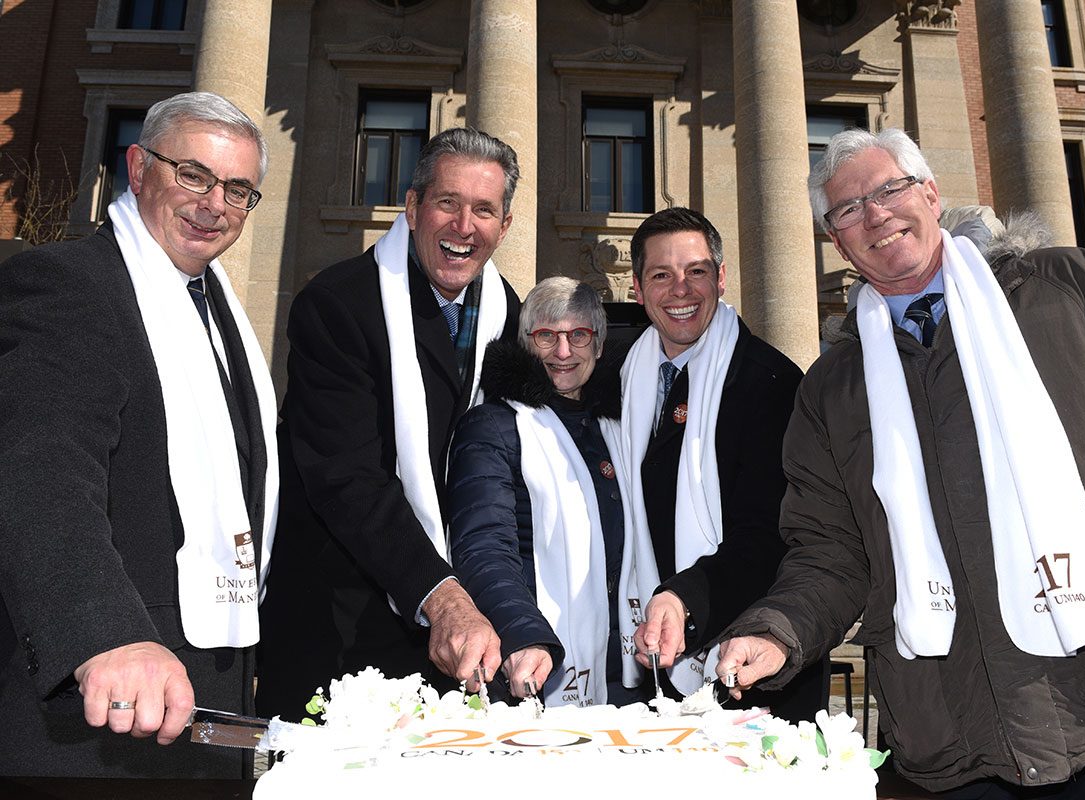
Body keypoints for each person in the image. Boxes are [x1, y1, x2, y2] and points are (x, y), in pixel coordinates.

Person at [718, 127, 1085, 797]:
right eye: (849, 209)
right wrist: (778, 633)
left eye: (889, 190)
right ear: (837, 240)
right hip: (958, 743)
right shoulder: (832, 389)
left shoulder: (1067, 290)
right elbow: (829, 551)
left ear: (931, 193)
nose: (875, 214)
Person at [0, 91, 277, 777]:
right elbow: (39, 467)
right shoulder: (69, 284)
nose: (215, 204)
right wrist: (107, 634)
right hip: (100, 717)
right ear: (137, 166)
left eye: (239, 190)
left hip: (206, 709)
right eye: (194, 174)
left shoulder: (220, 314)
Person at [256, 128, 522, 721]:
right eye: (448, 203)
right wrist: (443, 595)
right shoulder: (336, 304)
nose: (463, 226)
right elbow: (346, 477)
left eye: (484, 209)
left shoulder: (512, 317)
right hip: (342, 625)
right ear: (412, 206)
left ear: (504, 227)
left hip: (465, 638)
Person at [620, 207, 827, 723]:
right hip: (654, 665)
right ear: (637, 288)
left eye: (697, 272)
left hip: (756, 661)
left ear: (721, 276)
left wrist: (683, 598)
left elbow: (772, 532)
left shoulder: (770, 383)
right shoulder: (622, 378)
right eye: (661, 275)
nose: (681, 290)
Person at [447, 277, 646, 708]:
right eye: (545, 336)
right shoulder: (494, 427)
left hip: (628, 670)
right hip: (530, 663)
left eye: (578, 335)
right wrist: (525, 634)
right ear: (525, 343)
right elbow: (483, 546)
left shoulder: (620, 427)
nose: (562, 352)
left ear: (598, 344)